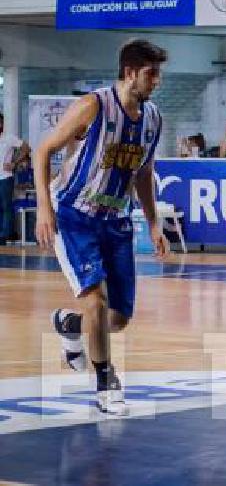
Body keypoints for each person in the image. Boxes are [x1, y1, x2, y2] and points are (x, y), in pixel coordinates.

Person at [34, 39, 170, 415]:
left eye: (158, 73)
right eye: (151, 73)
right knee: (96, 300)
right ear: (130, 72)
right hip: (75, 215)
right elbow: (42, 151)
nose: (157, 81)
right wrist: (44, 208)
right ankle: (105, 381)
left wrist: (155, 224)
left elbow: (144, 173)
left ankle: (69, 325)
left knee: (118, 319)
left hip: (117, 220)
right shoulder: (94, 105)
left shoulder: (153, 119)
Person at [0, 112, 31, 245]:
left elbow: (26, 148)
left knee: (6, 206)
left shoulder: (9, 138)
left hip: (5, 177)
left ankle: (6, 234)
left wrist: (14, 163)